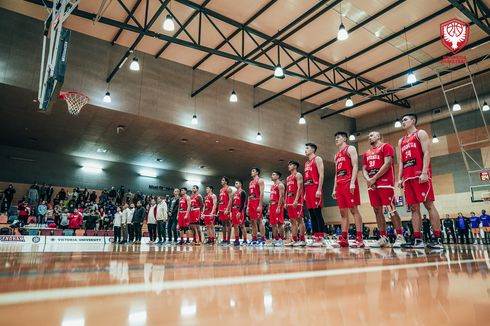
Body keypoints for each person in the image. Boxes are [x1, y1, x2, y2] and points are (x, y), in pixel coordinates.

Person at [397, 113, 442, 249]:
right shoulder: (401, 141)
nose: (403, 122)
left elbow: (427, 153)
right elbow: (401, 161)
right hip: (408, 178)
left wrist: (424, 172)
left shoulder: (420, 133)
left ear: (413, 120)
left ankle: (438, 239)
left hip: (420, 176)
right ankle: (418, 239)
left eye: (405, 119)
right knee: (414, 208)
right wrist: (399, 178)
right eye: (402, 120)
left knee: (429, 205)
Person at [361, 131, 405, 248]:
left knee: (391, 208)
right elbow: (364, 169)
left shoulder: (386, 147)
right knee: (377, 210)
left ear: (379, 136)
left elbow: (387, 163)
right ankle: (383, 237)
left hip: (385, 183)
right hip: (372, 184)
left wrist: (374, 178)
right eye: (368, 136)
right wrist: (369, 180)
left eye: (371, 135)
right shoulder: (366, 153)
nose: (369, 137)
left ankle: (400, 236)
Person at [332, 131, 365, 248]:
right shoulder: (336, 155)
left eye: (338, 137)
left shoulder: (350, 149)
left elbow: (356, 165)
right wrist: (334, 188)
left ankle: (359, 238)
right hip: (340, 185)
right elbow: (336, 173)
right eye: (335, 138)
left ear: (345, 138)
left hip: (348, 182)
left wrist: (352, 182)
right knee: (342, 212)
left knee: (353, 209)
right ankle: (344, 238)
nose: (336, 139)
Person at [304, 143, 327, 247]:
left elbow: (321, 174)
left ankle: (321, 237)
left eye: (307, 148)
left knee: (317, 213)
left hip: (315, 187)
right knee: (311, 214)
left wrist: (319, 189)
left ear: (313, 149)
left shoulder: (317, 159)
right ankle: (315, 237)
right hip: (308, 189)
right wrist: (305, 193)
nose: (305, 150)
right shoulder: (306, 163)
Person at [285, 160, 306, 247]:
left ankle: (302, 240)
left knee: (299, 220)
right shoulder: (288, 178)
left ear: (295, 166)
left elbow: (300, 188)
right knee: (292, 221)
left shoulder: (298, 175)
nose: (289, 166)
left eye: (290, 165)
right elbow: (287, 191)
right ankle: (294, 239)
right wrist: (286, 202)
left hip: (297, 201)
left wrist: (296, 199)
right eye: (289, 165)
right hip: (289, 201)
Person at [247, 168, 266, 245]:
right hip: (251, 202)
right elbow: (249, 195)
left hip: (257, 201)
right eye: (251, 171)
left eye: (253, 171)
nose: (251, 172)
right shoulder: (251, 182)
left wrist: (260, 205)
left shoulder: (260, 180)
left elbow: (261, 193)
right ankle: (254, 238)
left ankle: (262, 239)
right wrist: (248, 206)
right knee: (252, 221)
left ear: (257, 172)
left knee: (259, 220)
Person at [269, 171, 285, 247]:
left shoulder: (280, 185)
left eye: (273, 174)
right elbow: (270, 198)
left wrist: (278, 207)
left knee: (279, 223)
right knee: (273, 224)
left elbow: (281, 197)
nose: (272, 176)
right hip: (271, 206)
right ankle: (275, 239)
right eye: (272, 174)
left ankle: (281, 240)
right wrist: (269, 208)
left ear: (278, 176)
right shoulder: (272, 186)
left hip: (277, 205)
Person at [231, 180, 248, 246]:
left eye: (237, 183)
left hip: (239, 210)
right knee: (235, 226)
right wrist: (231, 212)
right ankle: (237, 240)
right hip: (234, 209)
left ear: (240, 184)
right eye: (235, 183)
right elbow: (233, 203)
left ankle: (245, 240)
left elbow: (243, 203)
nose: (235, 184)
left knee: (242, 225)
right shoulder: (235, 193)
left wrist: (240, 212)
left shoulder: (243, 192)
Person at [217, 177, 232, 245]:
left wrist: (227, 209)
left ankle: (228, 240)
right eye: (221, 180)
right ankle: (224, 239)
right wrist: (218, 209)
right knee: (223, 225)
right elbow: (220, 201)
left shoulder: (228, 189)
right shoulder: (221, 190)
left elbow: (230, 199)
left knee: (228, 224)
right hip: (221, 209)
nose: (221, 181)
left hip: (226, 209)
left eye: (223, 180)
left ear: (226, 182)